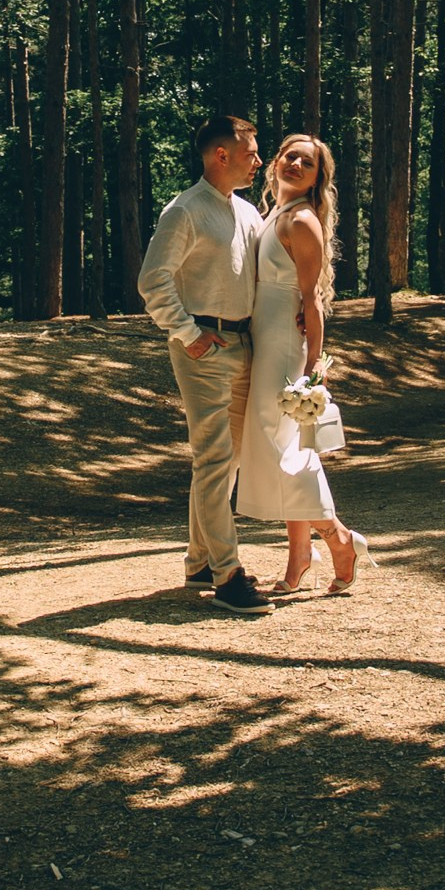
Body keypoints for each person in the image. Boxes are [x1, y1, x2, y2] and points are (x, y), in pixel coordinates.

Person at [135, 112, 272, 615]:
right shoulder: (185, 210)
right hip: (205, 348)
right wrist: (189, 334)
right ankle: (228, 575)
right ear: (222, 154)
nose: (259, 160)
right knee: (215, 458)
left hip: (244, 345)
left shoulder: (247, 212)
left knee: (224, 461)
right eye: (252, 151)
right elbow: (154, 280)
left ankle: (198, 560)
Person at [239, 134, 364, 596]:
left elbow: (311, 299)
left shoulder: (303, 220)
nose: (294, 164)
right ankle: (299, 555)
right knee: (285, 451)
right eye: (289, 156)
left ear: (316, 178)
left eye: (306, 162)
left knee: (284, 453)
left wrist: (314, 367)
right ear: (275, 162)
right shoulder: (274, 214)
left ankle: (337, 538)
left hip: (285, 349)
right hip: (262, 340)